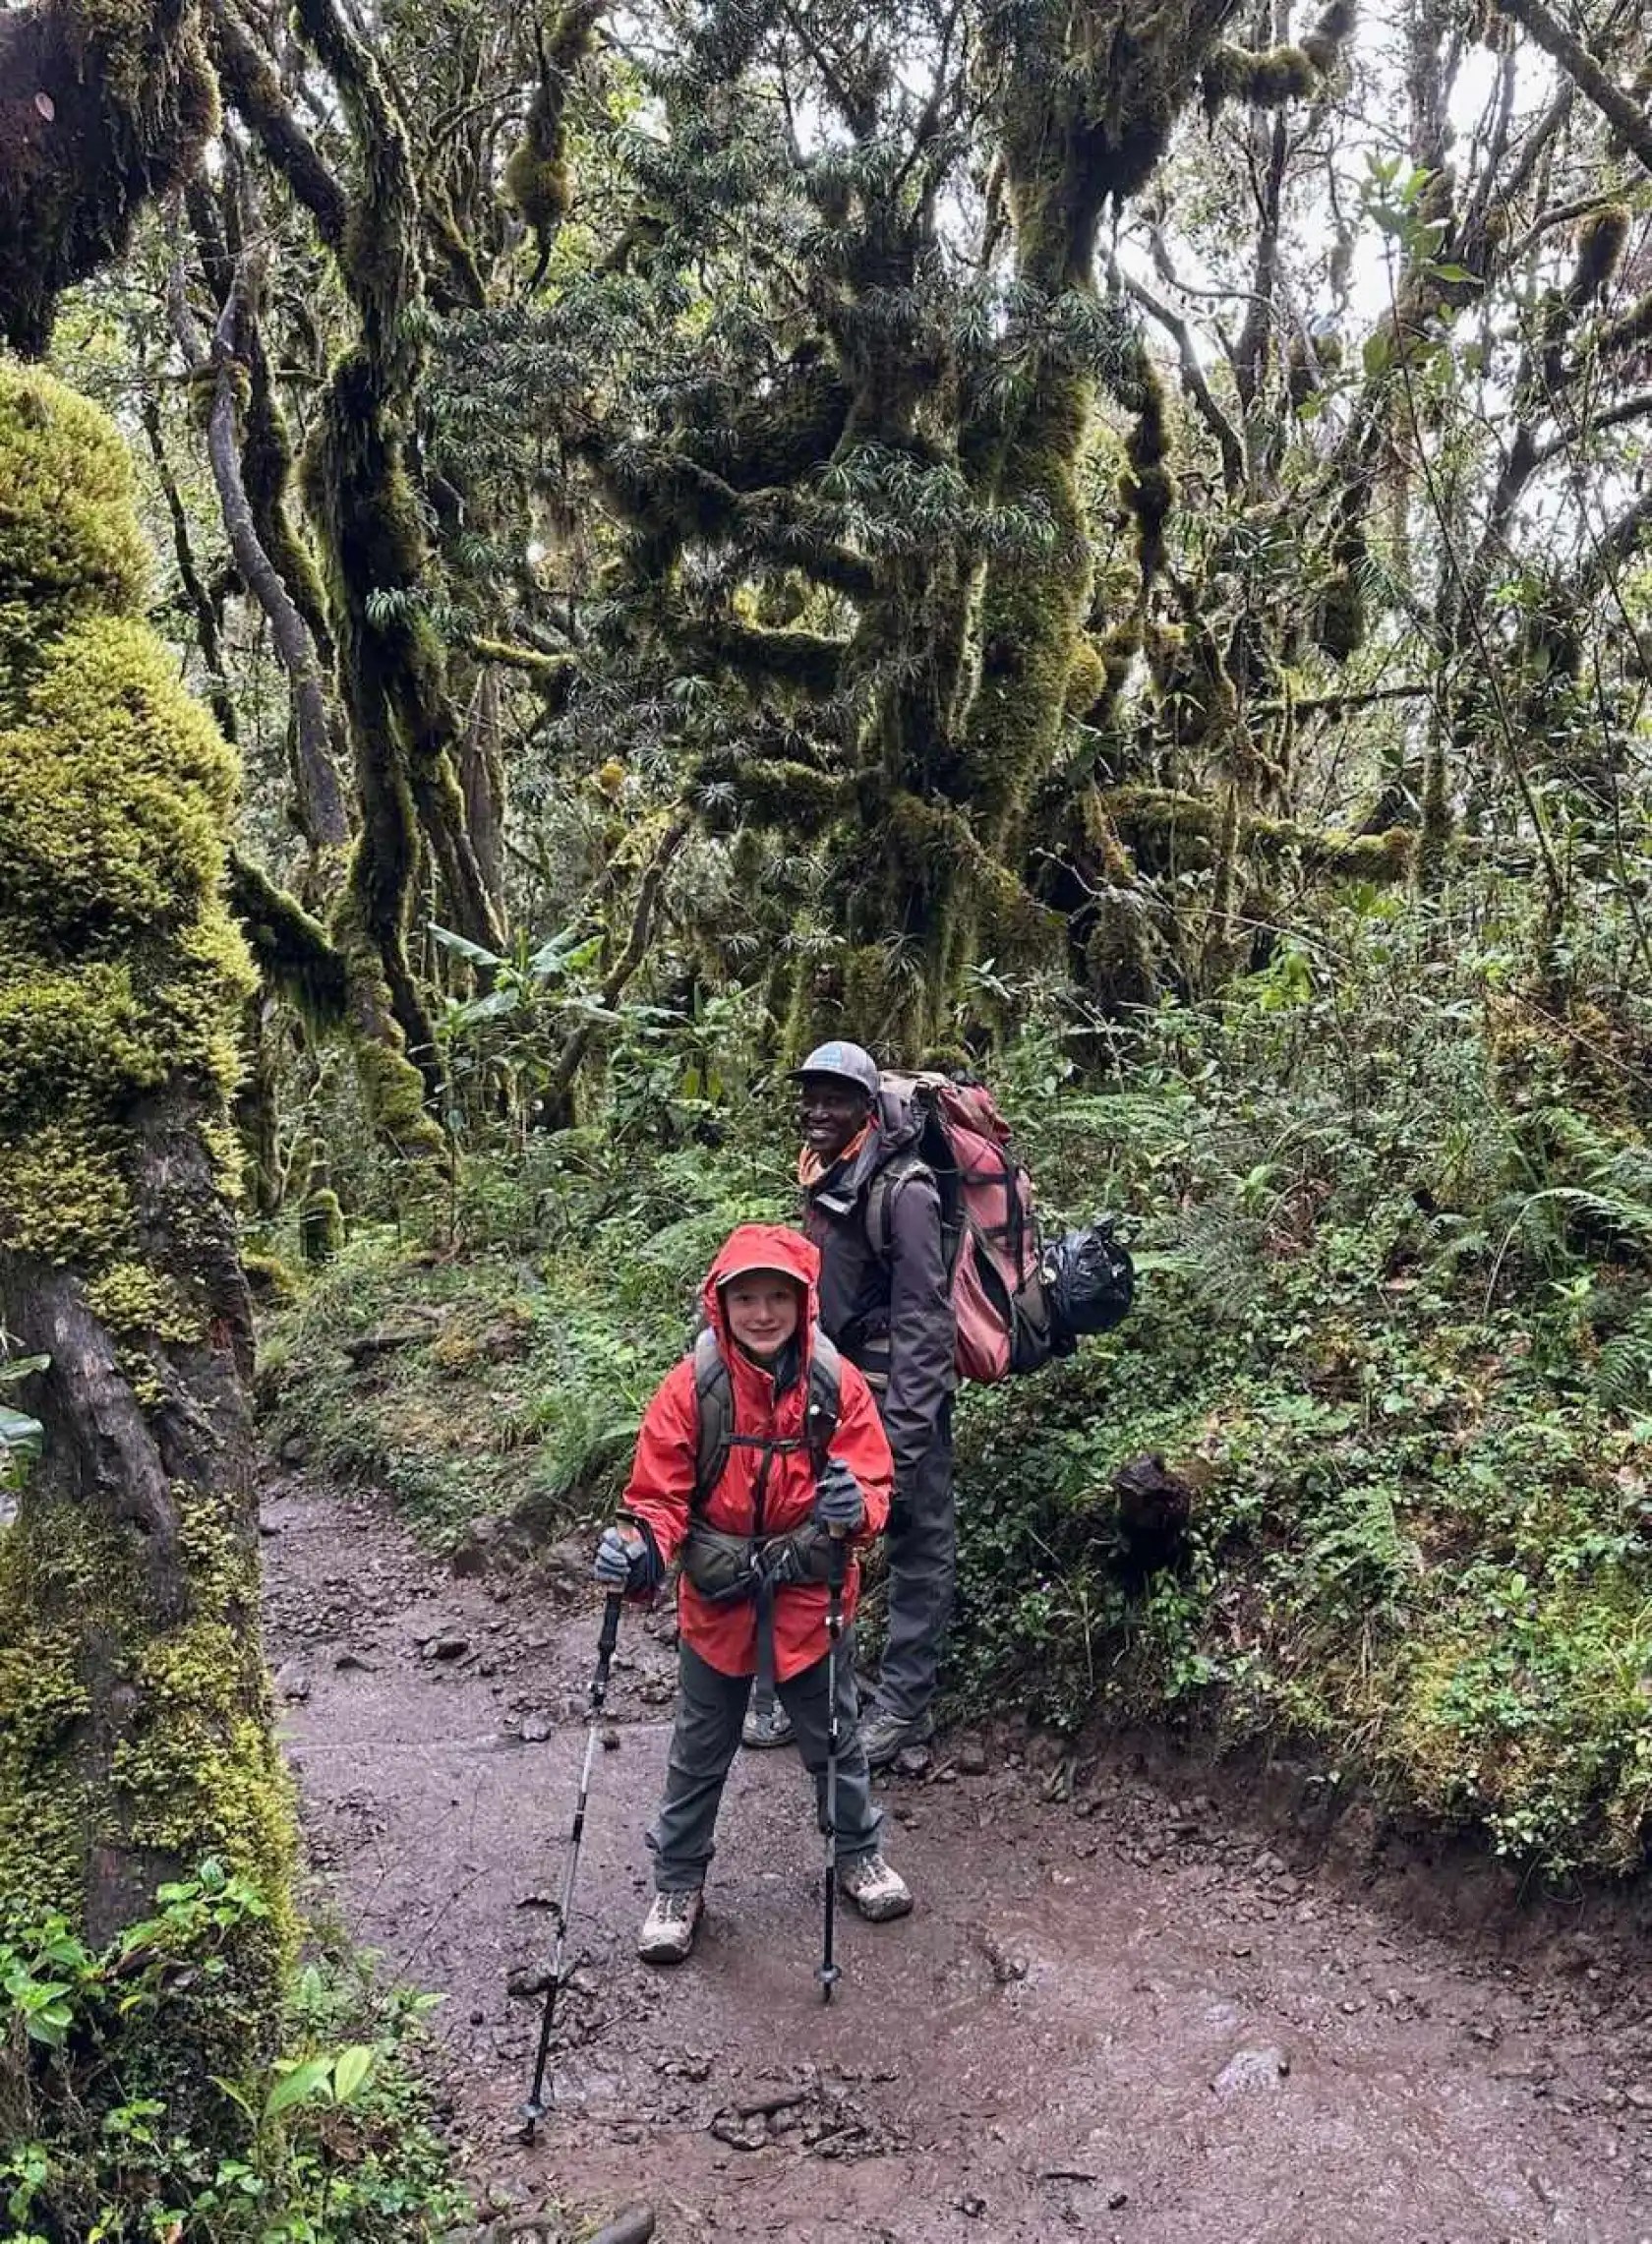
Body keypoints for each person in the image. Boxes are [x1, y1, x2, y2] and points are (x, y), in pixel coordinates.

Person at [592, 1222, 913, 1965]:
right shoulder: (690, 1391)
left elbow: (873, 1482)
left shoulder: (836, 1386)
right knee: (699, 1752)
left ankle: (857, 1855)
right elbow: (659, 1497)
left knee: (834, 1740)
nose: (762, 1313)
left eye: (778, 1297)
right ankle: (677, 1884)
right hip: (719, 1600)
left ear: (804, 1305)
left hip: (813, 1598)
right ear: (721, 1304)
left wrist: (853, 1509)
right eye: (746, 1298)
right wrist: (638, 1550)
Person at [743, 1038, 954, 1770]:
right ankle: (816, 1692)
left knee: (917, 1542)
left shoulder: (908, 1189)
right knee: (815, 1533)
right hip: (835, 1390)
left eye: (834, 1098)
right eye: (810, 1096)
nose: (817, 1110)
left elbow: (928, 1320)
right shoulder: (830, 1174)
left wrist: (901, 1442)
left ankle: (904, 1707)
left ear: (868, 1106)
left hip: (901, 1399)